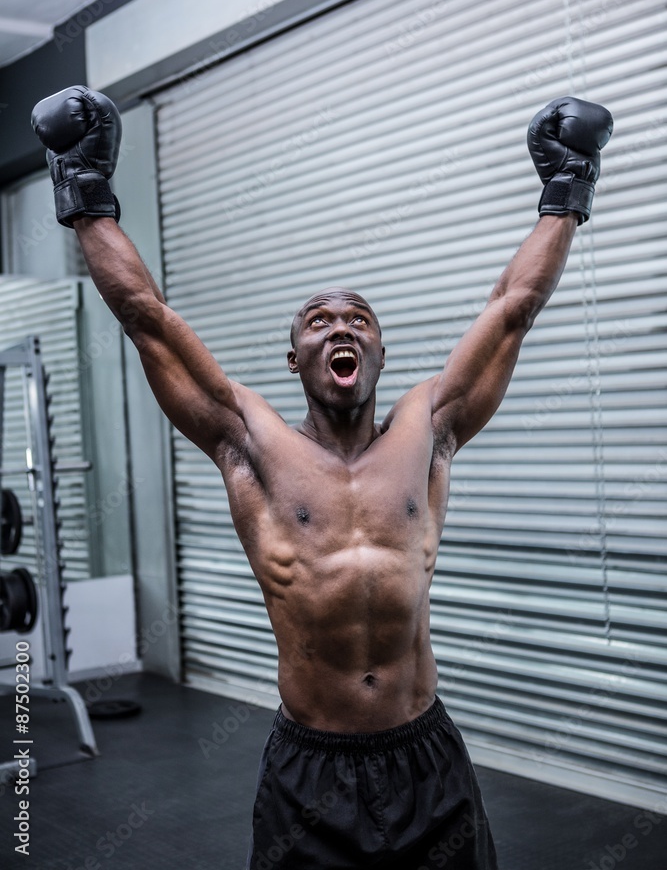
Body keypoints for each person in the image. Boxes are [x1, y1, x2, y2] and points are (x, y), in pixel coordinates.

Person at [31, 86, 613, 869]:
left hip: (426, 757)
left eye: (358, 320)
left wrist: (566, 192)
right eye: (319, 321)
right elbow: (147, 317)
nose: (341, 327)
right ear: (294, 358)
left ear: (378, 353)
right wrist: (84, 196)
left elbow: (512, 308)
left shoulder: (429, 427)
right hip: (311, 771)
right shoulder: (248, 440)